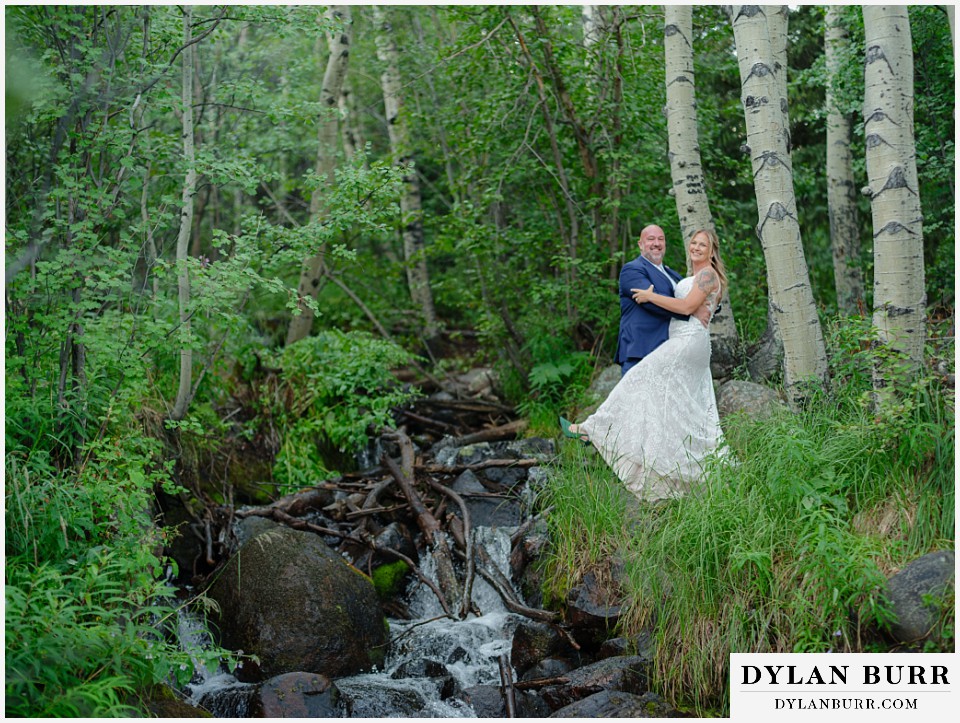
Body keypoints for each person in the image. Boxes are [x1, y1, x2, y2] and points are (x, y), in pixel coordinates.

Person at [563, 229, 728, 501]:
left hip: (688, 341)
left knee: (639, 378)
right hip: (683, 340)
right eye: (694, 242)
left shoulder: (707, 274)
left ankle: (590, 429)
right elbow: (692, 300)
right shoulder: (679, 276)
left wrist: (651, 296)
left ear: (712, 252)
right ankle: (682, 472)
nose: (697, 247)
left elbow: (686, 307)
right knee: (683, 408)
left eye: (703, 245)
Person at [615, 225, 688, 376]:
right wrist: (689, 311)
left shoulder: (672, 274)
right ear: (640, 245)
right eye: (651, 239)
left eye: (661, 239)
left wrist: (709, 305)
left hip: (670, 352)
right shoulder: (632, 270)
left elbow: (690, 297)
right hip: (641, 351)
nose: (656, 243)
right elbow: (651, 303)